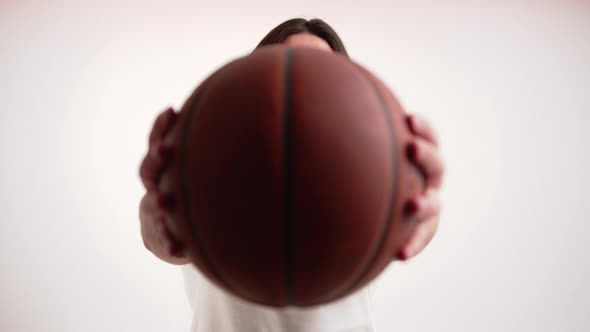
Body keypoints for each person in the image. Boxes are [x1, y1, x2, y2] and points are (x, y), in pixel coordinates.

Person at [139, 18, 444, 332]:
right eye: (289, 65)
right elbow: (158, 238)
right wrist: (161, 215)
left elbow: (423, 220)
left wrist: (420, 206)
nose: (305, 79)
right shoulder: (209, 162)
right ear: (255, 78)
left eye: (321, 69)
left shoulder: (374, 172)